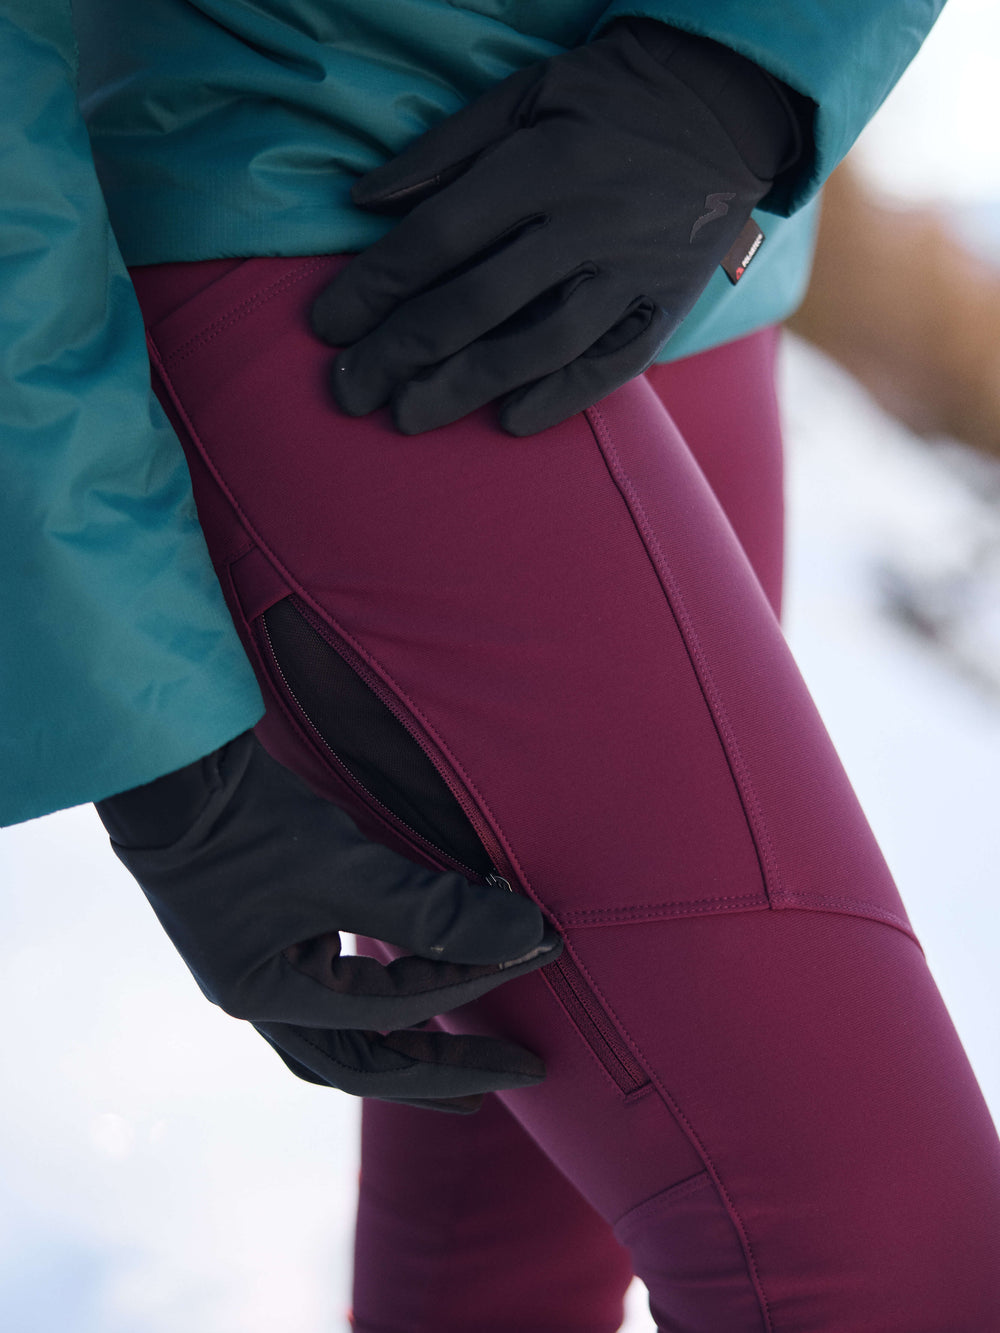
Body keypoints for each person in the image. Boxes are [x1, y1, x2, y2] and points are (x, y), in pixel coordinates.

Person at [3, 3, 999, 1330]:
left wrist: (742, 71)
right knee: (884, 1269)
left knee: (515, 1227)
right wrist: (155, 750)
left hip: (684, 237)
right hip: (333, 234)